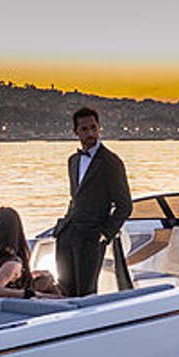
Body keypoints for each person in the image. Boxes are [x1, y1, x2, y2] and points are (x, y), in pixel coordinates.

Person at [54, 106, 132, 297]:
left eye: (93, 127)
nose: (90, 133)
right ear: (76, 132)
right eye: (84, 129)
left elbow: (125, 206)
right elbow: (76, 197)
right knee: (63, 290)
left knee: (86, 293)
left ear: (99, 128)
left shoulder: (111, 162)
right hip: (67, 234)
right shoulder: (73, 160)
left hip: (91, 238)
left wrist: (105, 235)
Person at [0, 207, 62, 299]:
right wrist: (32, 294)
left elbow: (7, 278)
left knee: (45, 276)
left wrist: (34, 274)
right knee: (48, 281)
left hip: (5, 298)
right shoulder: (12, 264)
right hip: (18, 303)